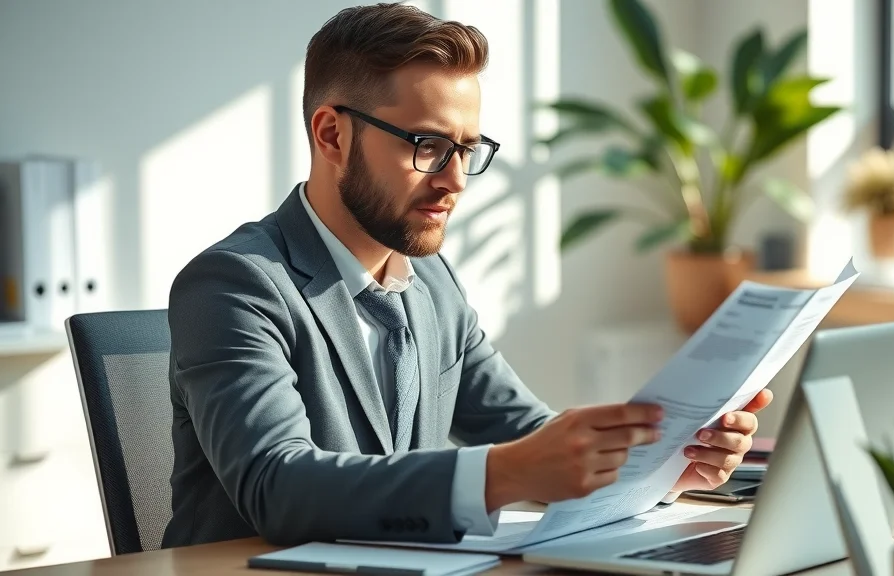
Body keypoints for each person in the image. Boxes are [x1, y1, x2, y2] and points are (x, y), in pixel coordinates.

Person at [161, 2, 772, 549]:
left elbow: (527, 434)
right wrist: (505, 473)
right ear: (332, 135)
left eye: (467, 150)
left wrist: (660, 465)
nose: (455, 180)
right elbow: (278, 486)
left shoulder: (431, 283)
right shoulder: (233, 285)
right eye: (427, 145)